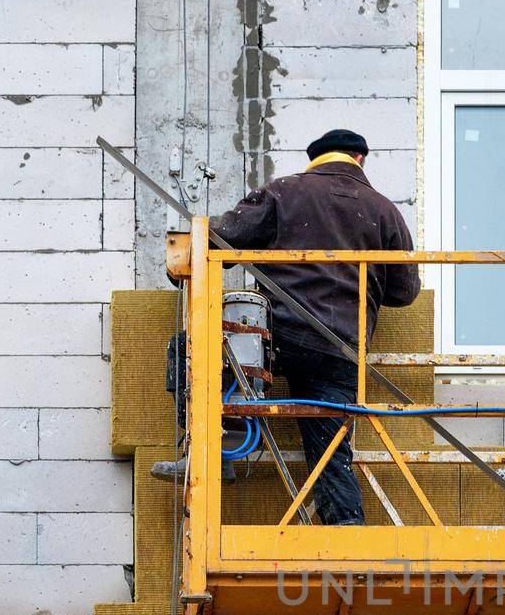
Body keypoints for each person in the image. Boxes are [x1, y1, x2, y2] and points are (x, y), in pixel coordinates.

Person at [154, 129, 420, 525]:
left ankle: (214, 451)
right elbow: (405, 292)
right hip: (343, 348)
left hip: (282, 338)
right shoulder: (384, 211)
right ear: (359, 159)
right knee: (331, 452)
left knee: (187, 348)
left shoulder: (283, 193)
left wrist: (184, 258)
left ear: (315, 159)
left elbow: (218, 243)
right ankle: (346, 527)